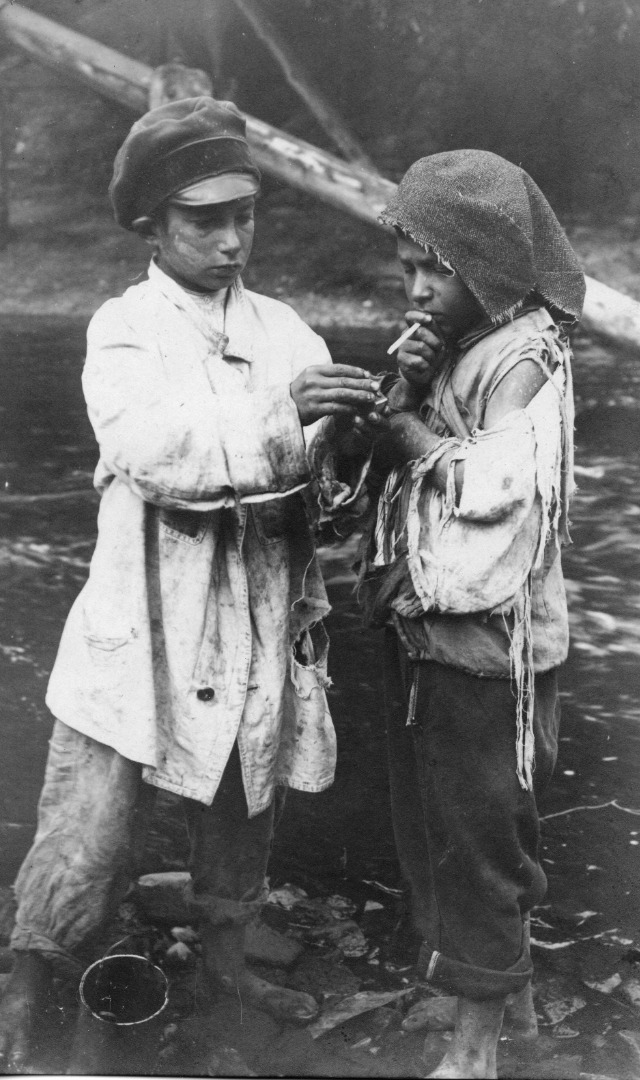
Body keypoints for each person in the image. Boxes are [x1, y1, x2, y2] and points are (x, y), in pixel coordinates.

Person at [0, 96, 383, 1069]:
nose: (229, 238)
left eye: (242, 214)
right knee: (90, 807)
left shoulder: (289, 328)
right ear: (150, 223)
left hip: (254, 607)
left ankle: (224, 962)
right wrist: (280, 416)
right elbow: (155, 452)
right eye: (201, 218)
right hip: (147, 615)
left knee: (241, 792)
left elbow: (323, 505)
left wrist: (345, 450)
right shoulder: (122, 330)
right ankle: (31, 971)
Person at [317, 149, 584, 1079]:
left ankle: (476, 1056)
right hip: (429, 635)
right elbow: (386, 480)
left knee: (480, 841)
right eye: (409, 271)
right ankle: (520, 1015)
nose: (419, 290)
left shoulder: (527, 361)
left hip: (491, 654)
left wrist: (412, 433)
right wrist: (403, 392)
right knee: (443, 830)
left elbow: (500, 494)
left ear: (489, 270)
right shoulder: (460, 349)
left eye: (437, 271)